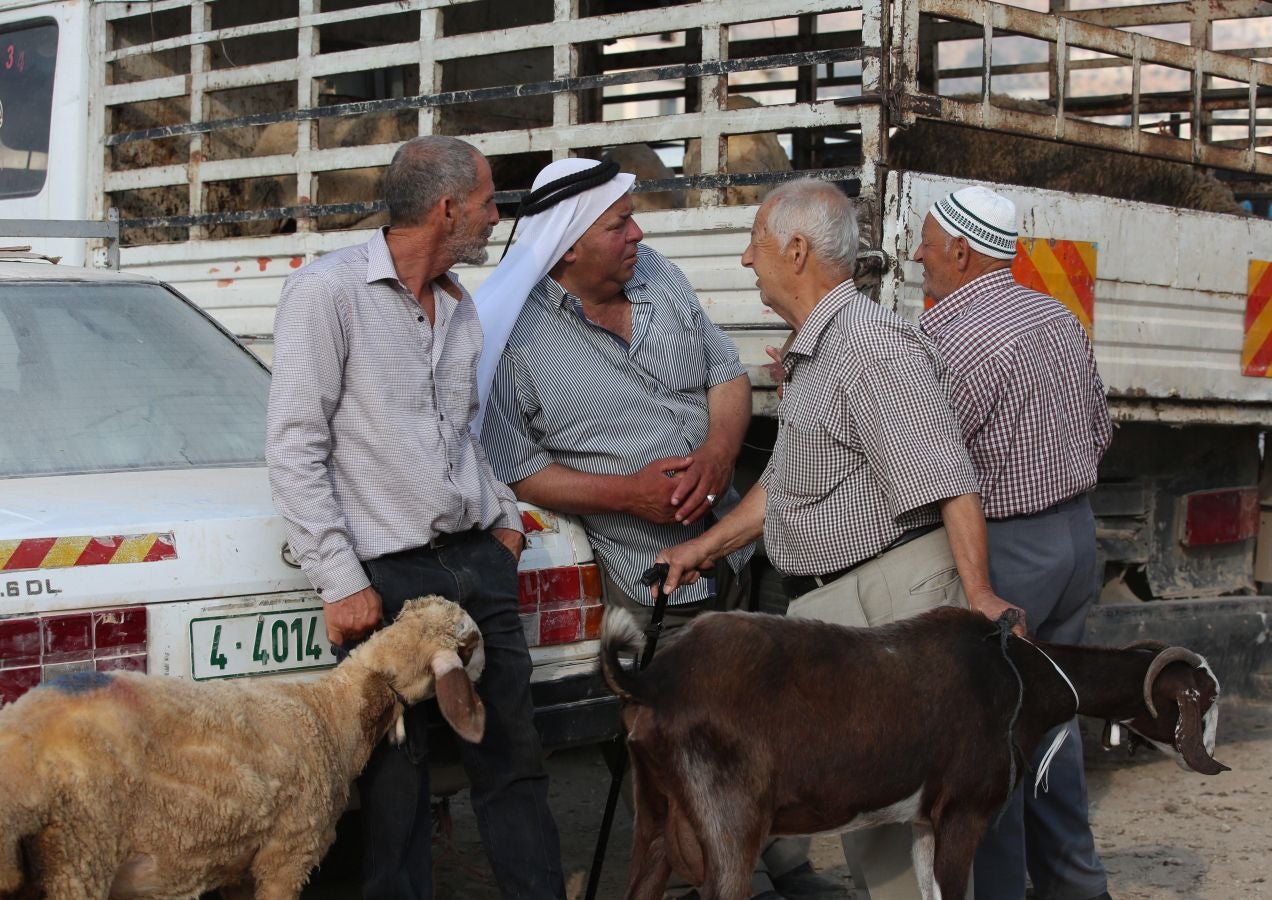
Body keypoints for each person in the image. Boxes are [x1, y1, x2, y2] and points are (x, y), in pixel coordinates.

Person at [478, 157, 847, 900]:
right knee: (696, 743)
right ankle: (707, 877)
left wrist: (717, 452)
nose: (637, 234)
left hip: (738, 542)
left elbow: (727, 375)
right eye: (619, 225)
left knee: (771, 719)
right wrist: (628, 495)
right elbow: (515, 468)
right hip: (651, 578)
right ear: (569, 245)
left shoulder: (658, 276)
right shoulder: (512, 340)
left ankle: (778, 867)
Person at [656, 177, 1023, 900]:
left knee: (907, 842)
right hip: (837, 608)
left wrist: (977, 594)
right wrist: (702, 549)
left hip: (889, 598)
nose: (743, 260)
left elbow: (951, 481)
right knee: (867, 826)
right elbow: (789, 484)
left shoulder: (871, 349)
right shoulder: (819, 348)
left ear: (795, 250)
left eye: (754, 242)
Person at [265, 135, 563, 900]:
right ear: (447, 207)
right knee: (396, 784)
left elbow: (459, 430)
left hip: (475, 560)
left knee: (513, 757)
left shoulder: (460, 307)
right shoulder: (326, 293)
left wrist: (503, 519)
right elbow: (295, 446)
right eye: (491, 201)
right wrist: (339, 579)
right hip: (385, 574)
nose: (498, 217)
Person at [913, 186, 1114, 900]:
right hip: (1074, 539)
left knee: (987, 749)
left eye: (928, 244)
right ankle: (1077, 888)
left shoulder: (950, 340)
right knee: (1054, 728)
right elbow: (1100, 429)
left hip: (1010, 553)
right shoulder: (1056, 314)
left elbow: (931, 465)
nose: (917, 255)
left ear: (962, 253)